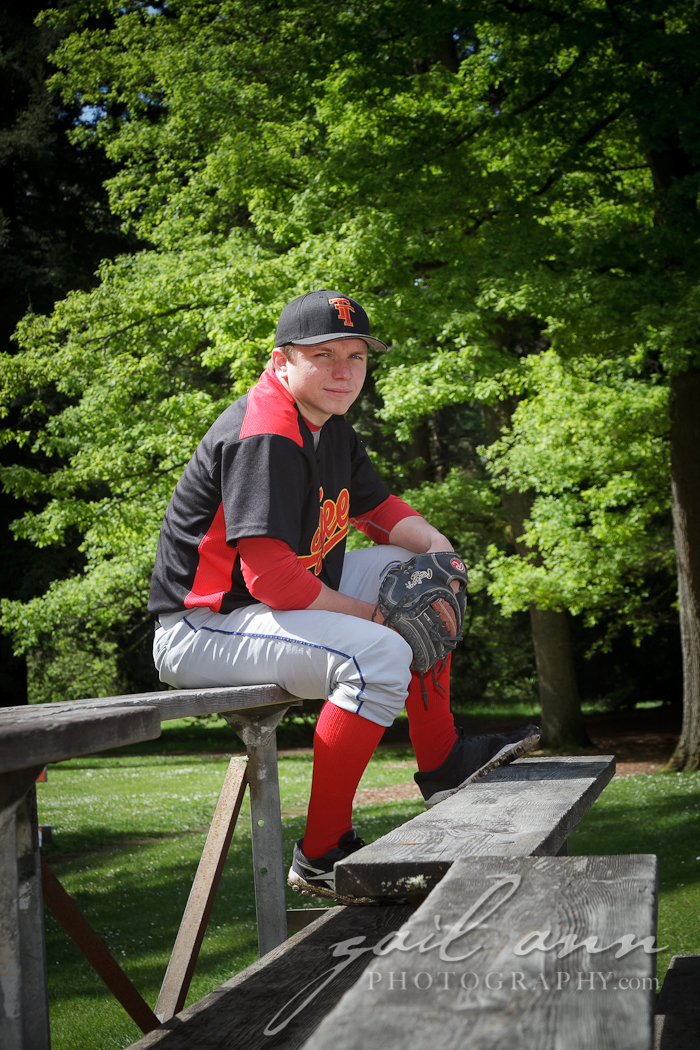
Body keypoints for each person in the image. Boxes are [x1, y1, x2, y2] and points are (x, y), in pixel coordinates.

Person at [148, 289, 538, 903]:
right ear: (281, 362)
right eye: (323, 354)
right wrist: (379, 618)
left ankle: (443, 763)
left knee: (419, 578)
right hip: (202, 627)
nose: (343, 370)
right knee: (380, 652)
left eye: (355, 356)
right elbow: (272, 580)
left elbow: (378, 510)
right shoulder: (267, 433)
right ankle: (322, 852)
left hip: (264, 609)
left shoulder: (329, 427)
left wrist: (438, 551)